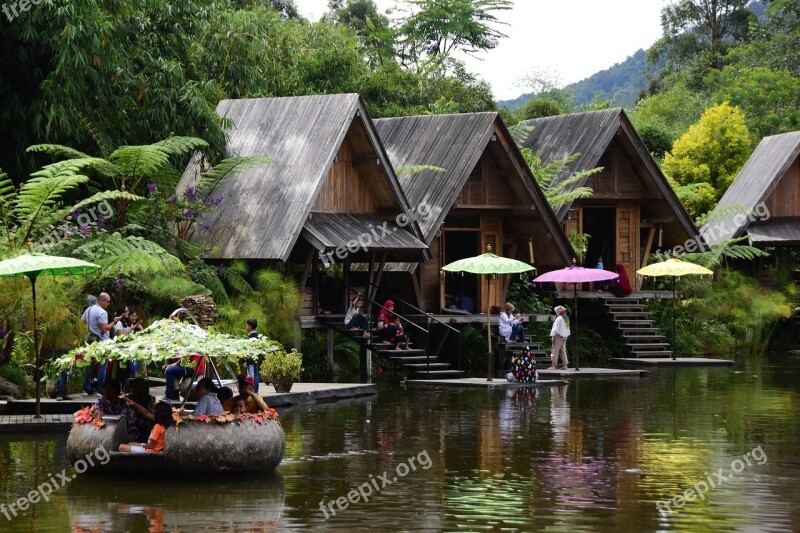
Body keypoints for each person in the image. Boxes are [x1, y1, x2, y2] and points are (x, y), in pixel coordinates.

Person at [82, 293, 124, 395]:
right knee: (103, 365)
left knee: (90, 365)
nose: (108, 304)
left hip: (91, 341)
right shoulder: (102, 312)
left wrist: (92, 329)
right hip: (101, 342)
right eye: (108, 302)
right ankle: (100, 389)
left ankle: (87, 387)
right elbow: (105, 328)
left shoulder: (88, 310)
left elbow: (82, 321)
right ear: (101, 300)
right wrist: (114, 321)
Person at [125, 377, 156, 443]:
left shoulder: (149, 399)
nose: (134, 388)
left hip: (145, 432)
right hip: (129, 431)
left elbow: (153, 417)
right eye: (133, 386)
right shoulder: (127, 398)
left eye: (137, 386)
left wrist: (135, 405)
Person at [549, 306, 570, 370]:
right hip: (565, 336)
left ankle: (553, 365)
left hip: (558, 336)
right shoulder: (566, 318)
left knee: (555, 350)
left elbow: (555, 328)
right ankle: (565, 365)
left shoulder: (559, 318)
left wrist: (553, 336)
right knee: (562, 350)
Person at [245, 318, 261, 393]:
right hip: (256, 358)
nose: (246, 327)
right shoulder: (258, 337)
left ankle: (250, 390)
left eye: (247, 325)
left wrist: (245, 360)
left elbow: (247, 350)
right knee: (256, 375)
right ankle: (256, 391)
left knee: (251, 375)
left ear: (250, 326)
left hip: (250, 359)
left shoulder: (250, 337)